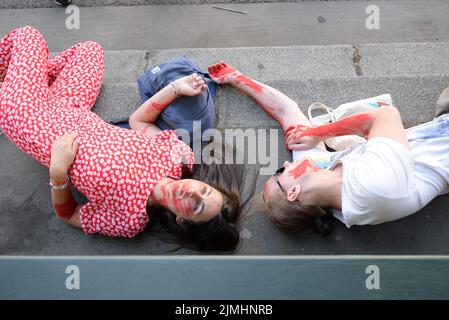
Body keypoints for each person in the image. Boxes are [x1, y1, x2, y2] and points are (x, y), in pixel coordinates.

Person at [0, 26, 245, 252]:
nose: (193, 194)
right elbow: (139, 122)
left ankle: (13, 87)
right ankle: (15, 82)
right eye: (204, 190)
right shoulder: (178, 157)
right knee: (90, 50)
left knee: (28, 35)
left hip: (32, 121)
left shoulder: (130, 220)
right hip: (71, 107)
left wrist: (58, 173)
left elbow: (71, 215)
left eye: (197, 206)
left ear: (182, 221)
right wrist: (175, 89)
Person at [206, 61, 449, 235]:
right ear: (293, 193)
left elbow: (286, 111)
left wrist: (236, 78)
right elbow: (385, 116)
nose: (287, 163)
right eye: (280, 171)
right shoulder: (373, 188)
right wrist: (318, 133)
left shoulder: (323, 175)